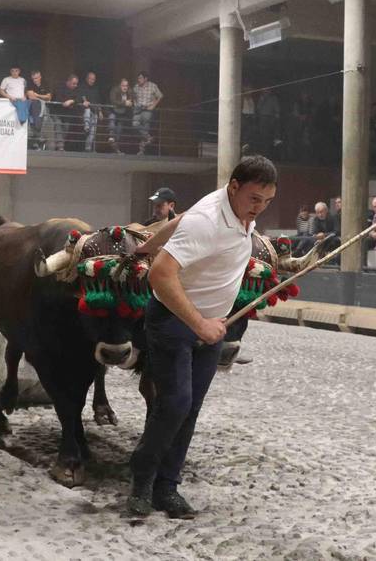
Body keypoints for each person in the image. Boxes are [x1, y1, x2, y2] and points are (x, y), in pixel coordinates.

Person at [125, 155, 277, 519]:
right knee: (175, 403)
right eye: (255, 199)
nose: (259, 209)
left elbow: (177, 221)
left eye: (268, 202)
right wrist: (200, 325)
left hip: (210, 323)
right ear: (234, 186)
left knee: (190, 408)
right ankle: (141, 479)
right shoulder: (208, 221)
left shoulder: (232, 210)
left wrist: (149, 243)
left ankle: (167, 488)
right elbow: (159, 276)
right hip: (174, 321)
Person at [133, 71, 163, 155]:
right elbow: (133, 97)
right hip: (138, 110)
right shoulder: (136, 86)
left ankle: (141, 151)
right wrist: (135, 104)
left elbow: (160, 96)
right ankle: (149, 137)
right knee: (135, 124)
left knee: (145, 127)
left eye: (140, 78)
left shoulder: (153, 86)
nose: (139, 80)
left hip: (147, 110)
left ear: (145, 79)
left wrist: (153, 105)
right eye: (138, 78)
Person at [57, 74, 85, 152]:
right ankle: (60, 147)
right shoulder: (61, 88)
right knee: (58, 126)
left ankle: (64, 147)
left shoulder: (76, 89)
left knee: (66, 128)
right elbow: (59, 98)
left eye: (76, 83)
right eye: (74, 83)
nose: (75, 85)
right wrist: (66, 101)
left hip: (68, 115)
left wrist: (71, 101)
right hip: (58, 112)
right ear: (68, 82)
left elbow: (79, 98)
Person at [26, 70, 52, 150]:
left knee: (43, 124)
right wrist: (42, 97)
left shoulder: (46, 84)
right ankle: (37, 141)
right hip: (33, 108)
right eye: (33, 78)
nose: (35, 80)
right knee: (34, 123)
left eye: (36, 78)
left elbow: (49, 97)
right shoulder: (30, 84)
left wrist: (37, 95)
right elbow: (30, 96)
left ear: (40, 77)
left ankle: (39, 141)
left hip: (44, 108)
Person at [107, 78, 134, 154]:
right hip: (113, 111)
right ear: (120, 86)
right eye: (123, 85)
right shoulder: (115, 90)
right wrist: (125, 103)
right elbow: (113, 101)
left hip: (122, 114)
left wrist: (131, 103)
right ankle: (111, 136)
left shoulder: (129, 91)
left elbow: (132, 100)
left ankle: (116, 150)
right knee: (112, 119)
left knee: (119, 132)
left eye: (126, 86)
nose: (125, 87)